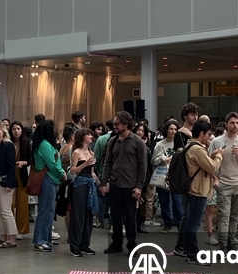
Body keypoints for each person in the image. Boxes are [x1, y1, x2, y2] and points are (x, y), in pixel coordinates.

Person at [100, 110, 148, 254]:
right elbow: (107, 163)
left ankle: (132, 245)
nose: (114, 126)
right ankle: (116, 244)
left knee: (130, 217)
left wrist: (139, 186)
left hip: (130, 186)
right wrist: (104, 182)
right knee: (115, 216)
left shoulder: (138, 142)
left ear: (126, 124)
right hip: (115, 185)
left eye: (117, 124)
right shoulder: (113, 141)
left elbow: (143, 166)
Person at [208, 112, 238, 253]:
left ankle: (231, 241)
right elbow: (208, 162)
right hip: (224, 183)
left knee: (234, 215)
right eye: (232, 123)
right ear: (226, 124)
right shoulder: (217, 142)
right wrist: (215, 179)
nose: (235, 126)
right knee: (224, 215)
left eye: (237, 123)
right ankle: (223, 244)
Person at [182, 121, 223, 264]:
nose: (209, 137)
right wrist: (219, 156)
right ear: (201, 134)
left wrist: (211, 155)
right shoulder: (198, 149)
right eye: (208, 134)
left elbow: (201, 164)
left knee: (189, 222)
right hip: (197, 190)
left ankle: (188, 251)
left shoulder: (190, 145)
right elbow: (212, 167)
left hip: (191, 189)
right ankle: (193, 254)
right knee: (193, 224)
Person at [32, 119, 65, 252]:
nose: (55, 131)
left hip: (51, 179)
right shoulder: (44, 145)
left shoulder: (45, 144)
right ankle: (40, 240)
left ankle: (46, 238)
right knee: (45, 210)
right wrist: (62, 173)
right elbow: (52, 164)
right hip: (48, 179)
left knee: (50, 210)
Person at [67, 128, 99, 257]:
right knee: (78, 215)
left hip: (90, 184)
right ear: (83, 137)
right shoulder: (76, 152)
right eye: (88, 134)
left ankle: (85, 245)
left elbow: (92, 172)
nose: (91, 136)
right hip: (79, 184)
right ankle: (75, 245)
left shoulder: (91, 152)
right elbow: (72, 170)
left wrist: (100, 183)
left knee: (88, 215)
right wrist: (85, 164)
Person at [151, 120, 182, 233]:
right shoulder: (160, 145)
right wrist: (162, 159)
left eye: (175, 129)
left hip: (176, 176)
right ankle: (167, 224)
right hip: (163, 175)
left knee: (177, 202)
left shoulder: (180, 143)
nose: (173, 131)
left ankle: (179, 224)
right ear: (166, 130)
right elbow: (153, 160)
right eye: (171, 129)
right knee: (164, 201)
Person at [10, 120, 32, 237]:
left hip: (22, 175)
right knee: (10, 203)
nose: (16, 131)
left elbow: (31, 159)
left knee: (22, 203)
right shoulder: (8, 143)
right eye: (14, 129)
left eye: (18, 129)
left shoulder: (26, 143)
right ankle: (11, 229)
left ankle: (21, 229)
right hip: (10, 175)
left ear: (22, 130)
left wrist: (24, 162)